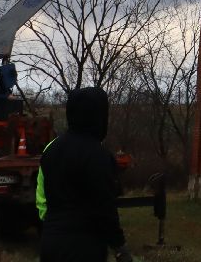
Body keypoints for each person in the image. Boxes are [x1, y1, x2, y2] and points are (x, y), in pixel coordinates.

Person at [36, 86, 132, 262]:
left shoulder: (51, 150)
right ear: (99, 116)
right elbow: (105, 207)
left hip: (50, 241)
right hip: (84, 247)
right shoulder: (98, 155)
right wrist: (119, 246)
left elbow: (42, 196)